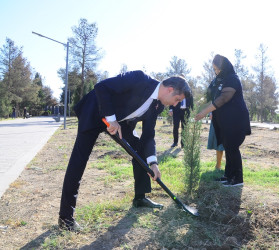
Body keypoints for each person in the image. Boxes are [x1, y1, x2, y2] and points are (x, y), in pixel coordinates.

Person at [58, 70, 191, 231]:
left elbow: (148, 136)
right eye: (177, 100)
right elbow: (101, 87)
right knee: (78, 162)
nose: (176, 104)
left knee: (140, 150)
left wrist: (153, 163)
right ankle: (65, 218)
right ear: (170, 89)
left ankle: (140, 198)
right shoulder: (140, 78)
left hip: (120, 123)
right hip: (95, 113)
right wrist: (111, 119)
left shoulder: (157, 106)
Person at [195, 54, 251, 187]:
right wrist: (198, 104)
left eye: (217, 69)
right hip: (224, 122)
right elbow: (208, 95)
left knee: (232, 147)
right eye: (214, 69)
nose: (216, 72)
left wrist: (205, 111)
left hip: (235, 121)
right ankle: (228, 175)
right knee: (227, 147)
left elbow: (224, 98)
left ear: (224, 67)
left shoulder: (232, 79)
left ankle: (237, 179)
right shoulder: (218, 80)